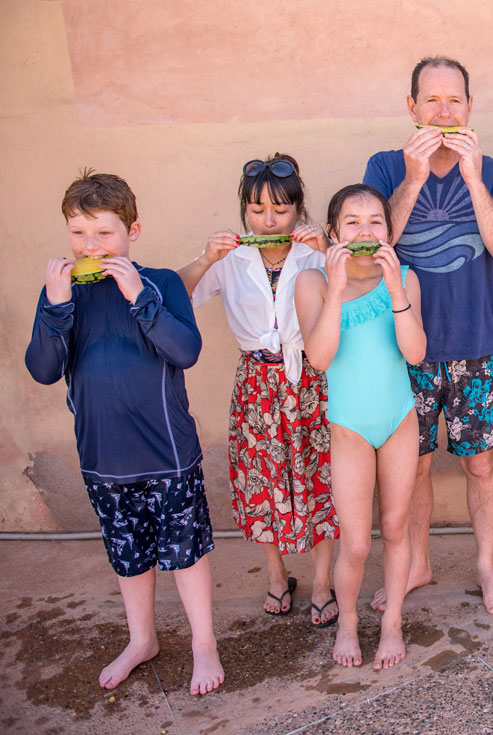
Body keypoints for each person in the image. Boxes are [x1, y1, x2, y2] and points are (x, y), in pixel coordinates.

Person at [26, 171, 223, 695]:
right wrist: (54, 305)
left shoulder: (162, 282)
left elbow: (185, 351)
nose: (90, 246)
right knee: (128, 554)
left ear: (133, 230)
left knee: (185, 552)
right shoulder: (61, 295)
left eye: (104, 234)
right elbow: (44, 369)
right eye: (78, 234)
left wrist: (139, 295)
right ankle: (142, 639)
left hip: (167, 453)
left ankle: (204, 644)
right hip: (102, 457)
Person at [363, 57, 493, 616]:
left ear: (470, 107)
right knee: (417, 465)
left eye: (454, 101)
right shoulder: (385, 167)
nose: (444, 112)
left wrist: (473, 179)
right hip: (408, 347)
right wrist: (413, 177)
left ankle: (485, 566)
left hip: (475, 343)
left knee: (480, 463)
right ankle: (420, 564)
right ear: (412, 107)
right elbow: (380, 238)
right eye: (432, 100)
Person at [178, 154, 339, 626]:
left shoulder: (316, 255)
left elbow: (355, 299)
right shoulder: (232, 259)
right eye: (256, 210)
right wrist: (206, 257)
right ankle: (275, 574)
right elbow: (175, 296)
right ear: (244, 211)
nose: (268, 220)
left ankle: (324, 580)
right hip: (257, 386)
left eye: (280, 210)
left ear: (299, 208)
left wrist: (331, 249)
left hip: (311, 380)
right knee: (262, 483)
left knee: (320, 479)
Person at [295, 184, 425, 670]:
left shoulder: (407, 279)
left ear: (389, 232)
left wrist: (395, 289)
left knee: (395, 526)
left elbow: (415, 353)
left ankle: (391, 623)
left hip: (398, 421)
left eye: (375, 222)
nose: (365, 230)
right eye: (352, 222)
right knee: (354, 542)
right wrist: (336, 283)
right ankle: (348, 622)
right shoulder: (312, 283)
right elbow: (320, 357)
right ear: (333, 233)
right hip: (348, 426)